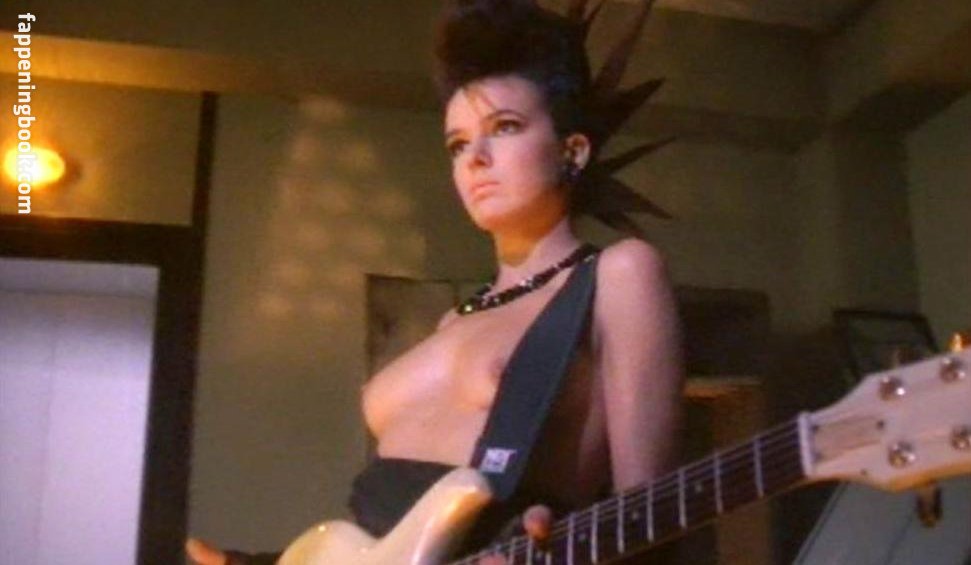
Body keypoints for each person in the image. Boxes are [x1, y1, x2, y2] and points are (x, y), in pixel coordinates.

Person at [187, 0, 682, 562]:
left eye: (505, 128)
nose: (476, 159)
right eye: (458, 143)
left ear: (572, 150)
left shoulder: (618, 273)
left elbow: (650, 519)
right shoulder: (454, 318)